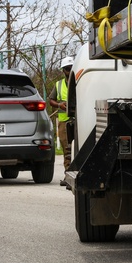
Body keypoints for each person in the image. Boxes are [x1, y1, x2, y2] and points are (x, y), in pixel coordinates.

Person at [48, 57, 74, 185]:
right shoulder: (58, 85)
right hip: (64, 121)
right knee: (67, 149)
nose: (69, 71)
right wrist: (59, 105)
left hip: (79, 121)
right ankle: (68, 175)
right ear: (63, 70)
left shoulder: (80, 82)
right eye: (67, 69)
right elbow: (51, 100)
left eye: (71, 68)